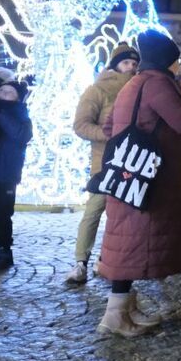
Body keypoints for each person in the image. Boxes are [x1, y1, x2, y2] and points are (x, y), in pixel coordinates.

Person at [96, 30, 181, 337]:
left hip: (128, 171)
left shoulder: (134, 83)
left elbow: (109, 125)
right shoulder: (157, 84)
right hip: (149, 177)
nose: (179, 65)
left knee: (128, 239)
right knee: (133, 242)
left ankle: (126, 307)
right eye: (177, 60)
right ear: (167, 60)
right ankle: (115, 315)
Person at [67, 43, 138, 284]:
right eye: (126, 62)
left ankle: (107, 260)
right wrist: (108, 135)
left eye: (134, 63)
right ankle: (80, 262)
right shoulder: (97, 90)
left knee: (122, 216)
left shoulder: (140, 90)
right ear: (115, 64)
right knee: (94, 211)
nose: (131, 67)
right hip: (104, 163)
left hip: (131, 163)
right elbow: (81, 125)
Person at [0, 80, 33, 274]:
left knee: (2, 214)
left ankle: (4, 252)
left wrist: (0, 113)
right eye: (0, 91)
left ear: (18, 98)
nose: (2, 94)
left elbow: (20, 134)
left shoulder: (21, 115)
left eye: (9, 92)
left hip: (5, 175)